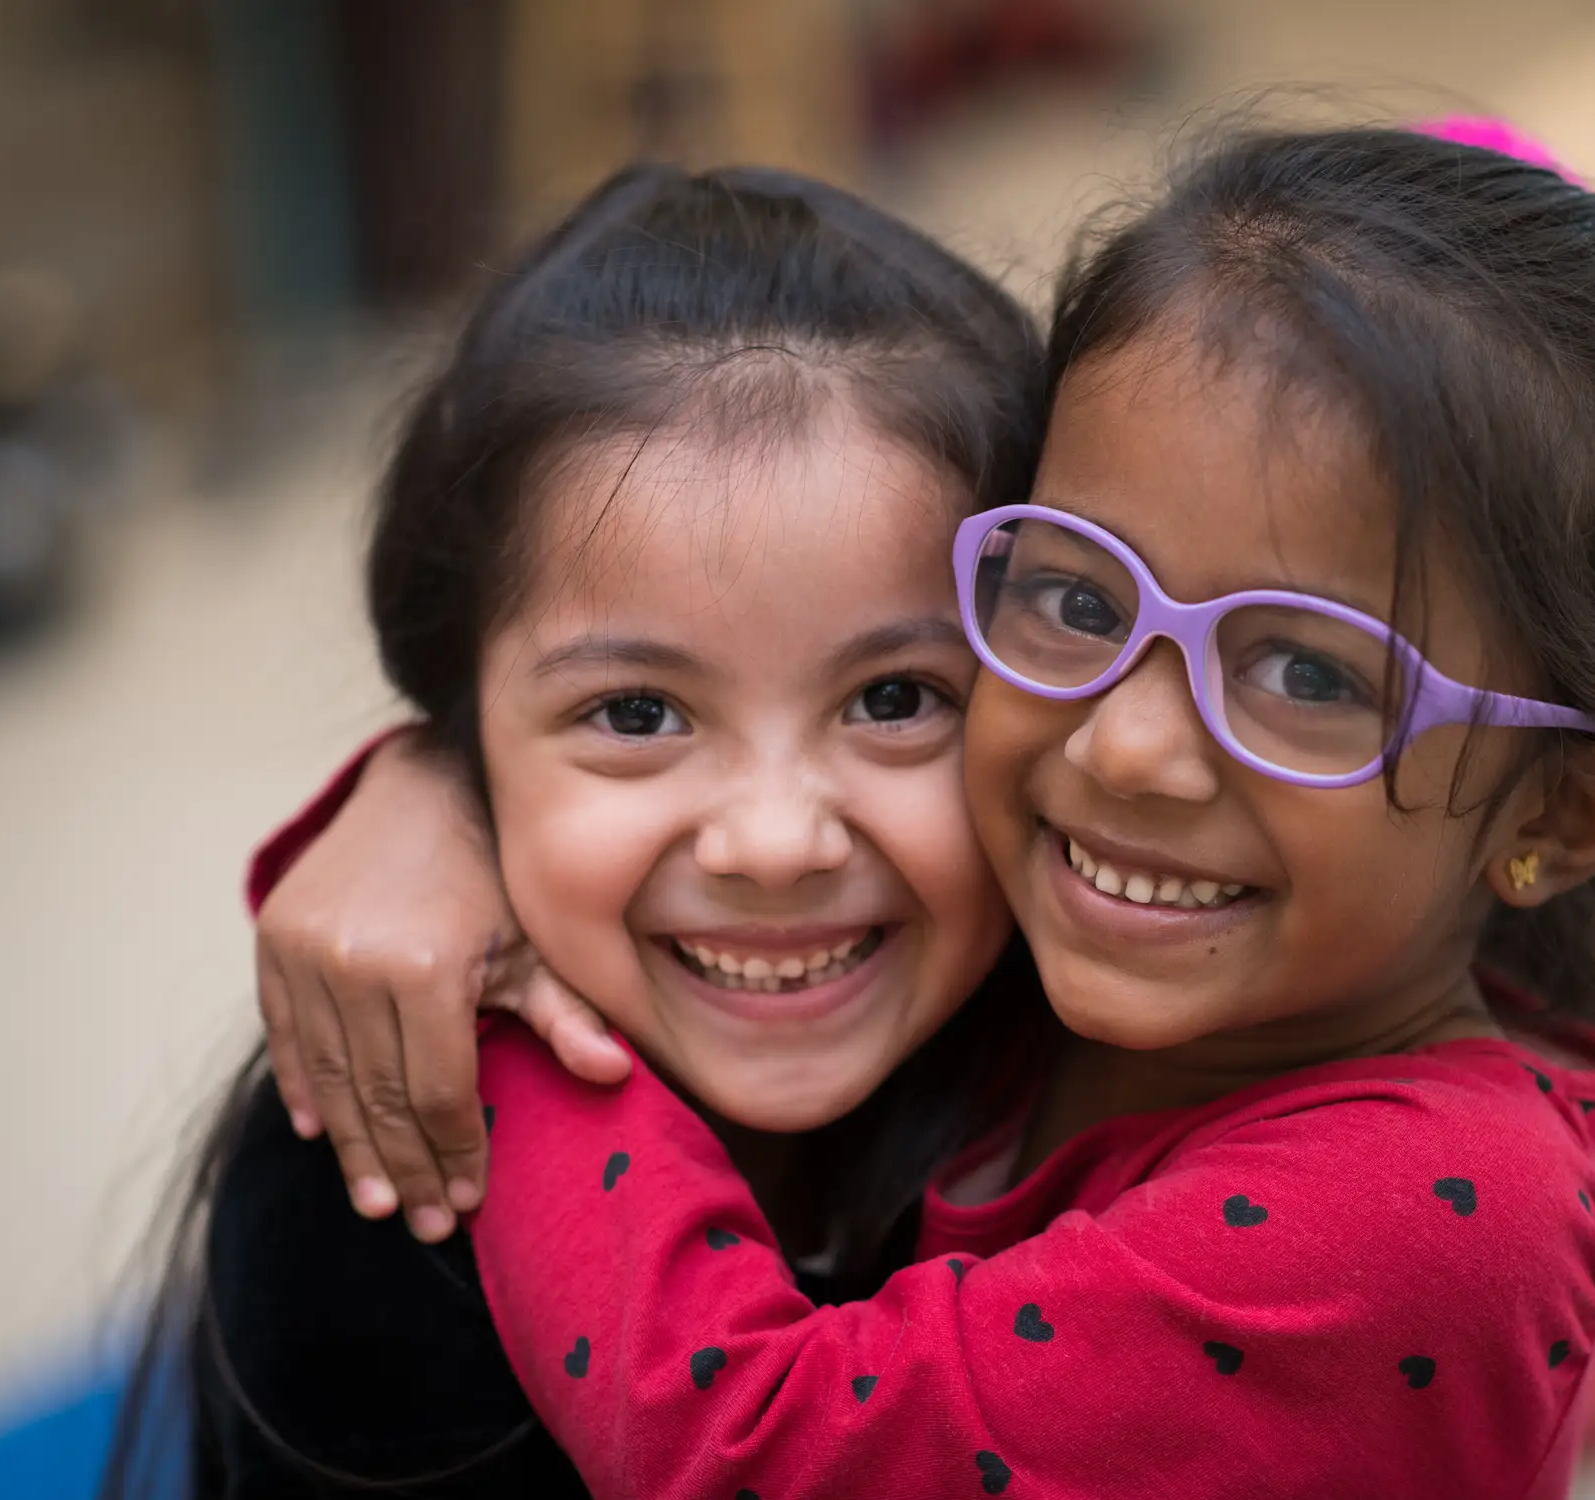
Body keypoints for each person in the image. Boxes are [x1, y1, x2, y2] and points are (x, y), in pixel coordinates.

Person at [243, 121, 1595, 1497]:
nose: (1125, 751)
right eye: (1070, 594)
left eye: (1310, 679)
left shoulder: (1435, 1223)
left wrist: (488, 1007)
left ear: (1564, 814)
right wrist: (437, 789)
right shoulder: (1082, 983)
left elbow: (742, 1447)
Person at [101, 159, 1054, 1498]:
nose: (773, 843)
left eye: (895, 699)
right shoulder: (375, 1182)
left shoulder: (1138, 1055)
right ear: (464, 720)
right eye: (638, 712)